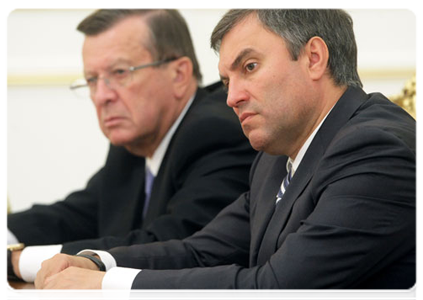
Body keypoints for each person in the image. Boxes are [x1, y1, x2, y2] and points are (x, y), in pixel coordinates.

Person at [34, 8, 419, 300]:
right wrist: (98, 262)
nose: (232, 97)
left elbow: (273, 290)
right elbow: (201, 251)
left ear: (314, 57)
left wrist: (105, 286)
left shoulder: (376, 151)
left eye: (249, 67)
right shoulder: (275, 157)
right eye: (226, 80)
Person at [5, 8, 257, 282]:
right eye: (92, 80)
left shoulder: (216, 131)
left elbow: (177, 245)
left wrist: (17, 261)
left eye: (120, 72)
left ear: (179, 74)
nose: (102, 96)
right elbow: (75, 214)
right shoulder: (134, 140)